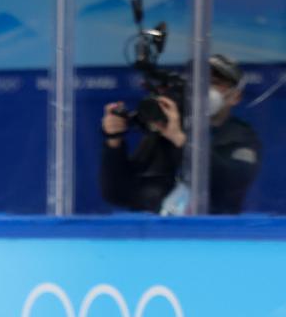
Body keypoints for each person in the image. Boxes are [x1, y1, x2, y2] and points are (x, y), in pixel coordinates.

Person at [99, 54, 261, 215]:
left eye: (215, 83)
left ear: (236, 97)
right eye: (198, 82)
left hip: (212, 234)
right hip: (162, 234)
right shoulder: (168, 130)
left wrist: (180, 140)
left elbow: (228, 185)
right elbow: (117, 193)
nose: (203, 90)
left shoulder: (242, 138)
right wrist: (114, 142)